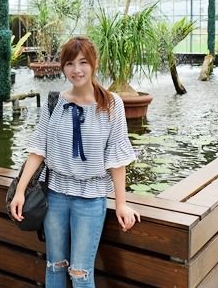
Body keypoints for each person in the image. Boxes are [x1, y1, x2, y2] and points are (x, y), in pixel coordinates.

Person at [10, 36, 141, 288]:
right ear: (63, 67)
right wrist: (20, 191)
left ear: (94, 64)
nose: (76, 70)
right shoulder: (54, 102)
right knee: (55, 266)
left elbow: (117, 160)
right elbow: (39, 149)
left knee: (80, 273)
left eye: (83, 62)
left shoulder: (112, 104)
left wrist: (122, 204)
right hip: (56, 196)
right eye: (70, 63)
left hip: (91, 198)